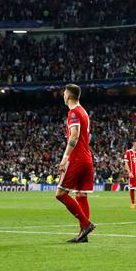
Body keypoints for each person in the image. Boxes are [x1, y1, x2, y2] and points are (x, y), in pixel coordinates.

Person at [55, 83, 96, 243]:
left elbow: (74, 135)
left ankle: (86, 224)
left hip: (77, 159)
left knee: (60, 194)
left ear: (69, 96)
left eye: (64, 93)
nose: (63, 95)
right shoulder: (84, 112)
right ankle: (83, 234)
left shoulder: (73, 112)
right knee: (81, 195)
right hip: (87, 158)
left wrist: (65, 158)